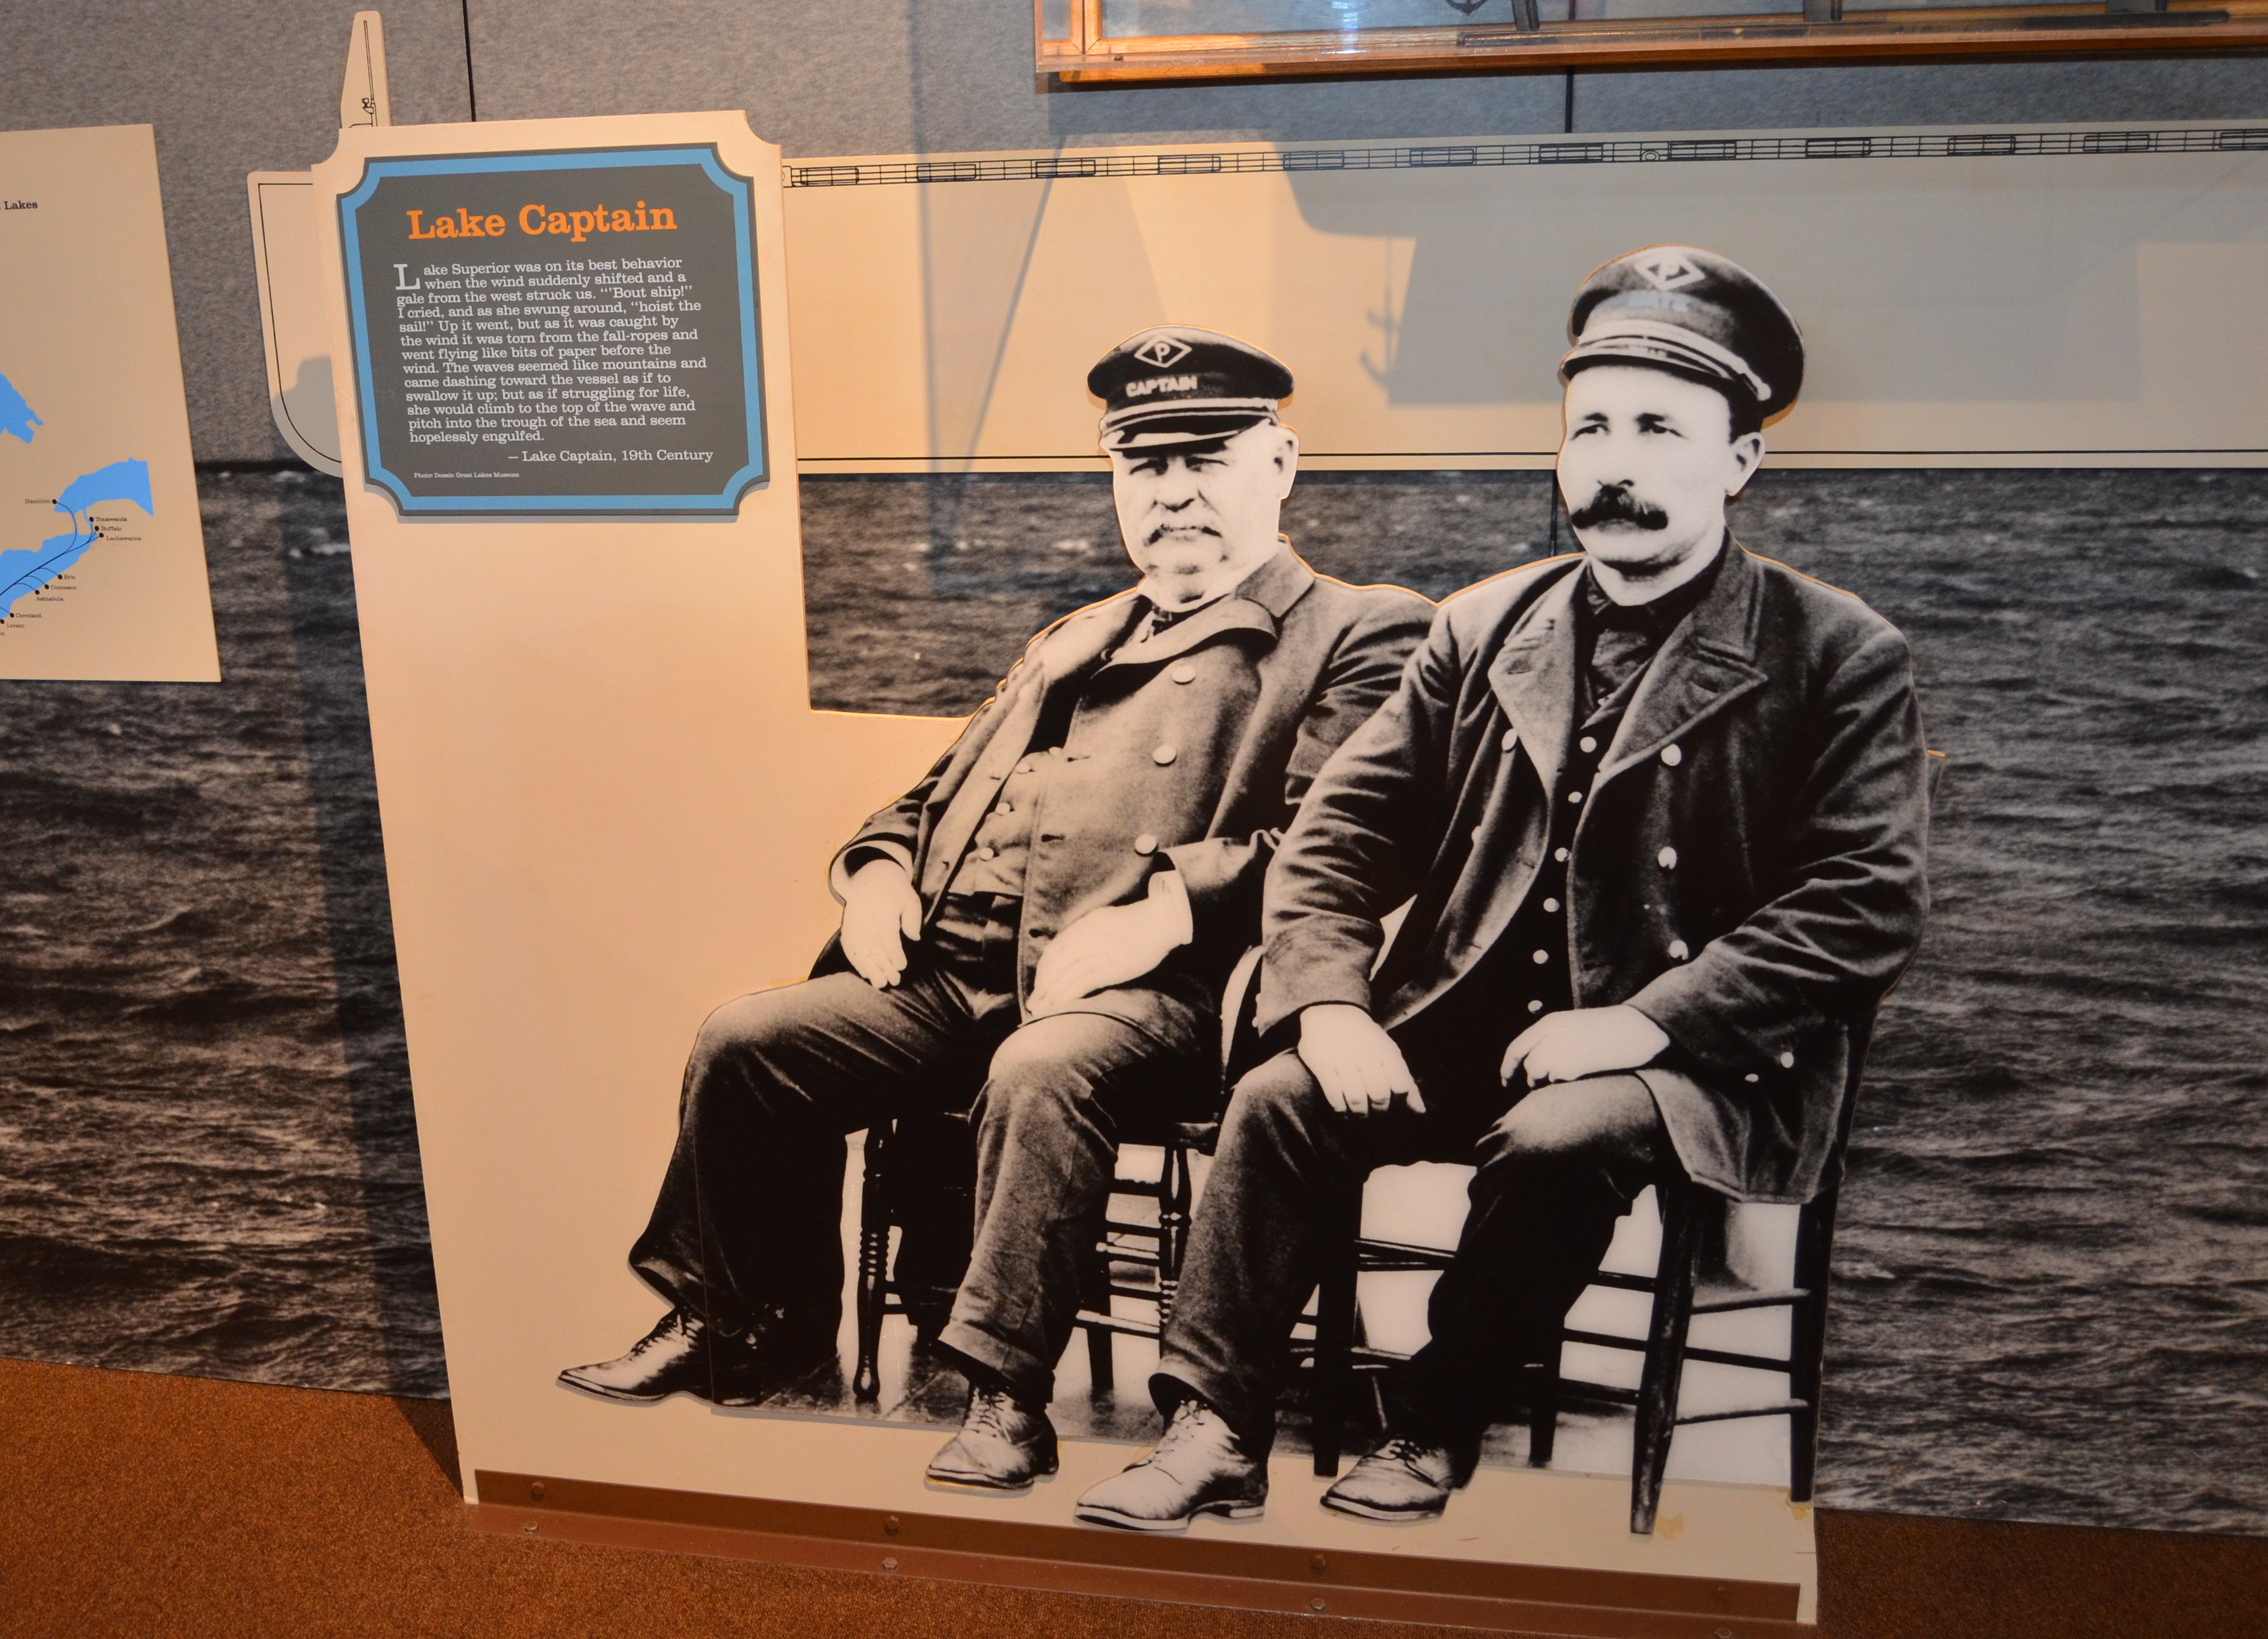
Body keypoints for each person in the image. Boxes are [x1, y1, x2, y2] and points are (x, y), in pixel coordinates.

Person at [1075, 248, 1931, 1532]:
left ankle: (1430, 1426)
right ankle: (1213, 1430)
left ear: (1739, 465)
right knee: (1280, 1099)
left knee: (1556, 1141)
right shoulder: (1482, 626)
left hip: (1695, 1062)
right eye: (1591, 428)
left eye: (1658, 429)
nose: (1614, 464)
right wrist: (1330, 1006)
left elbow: (1864, 897)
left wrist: (1649, 1023)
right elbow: (1338, 840)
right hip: (1467, 1020)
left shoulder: (1836, 652)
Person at [559, 327, 1431, 1494]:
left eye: (1205, 459)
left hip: (1156, 996)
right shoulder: (1075, 634)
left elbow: (1343, 838)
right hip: (961, 971)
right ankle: (739, 1322)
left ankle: (1005, 1398)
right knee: (744, 1043)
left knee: (1041, 1066)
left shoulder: (1359, 631)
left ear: (1279, 463)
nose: (1172, 493)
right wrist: (874, 870)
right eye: (1143, 467)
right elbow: (932, 792)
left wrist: (1170, 910)